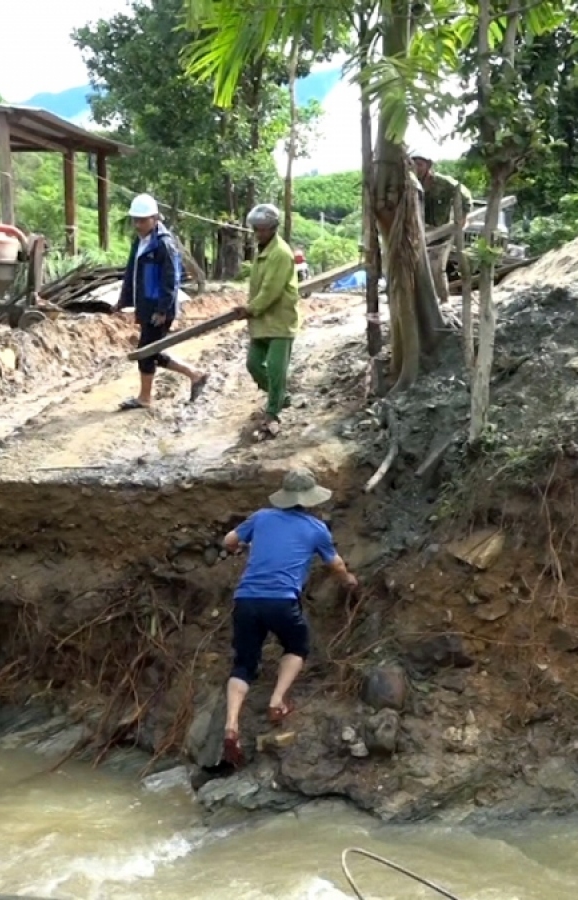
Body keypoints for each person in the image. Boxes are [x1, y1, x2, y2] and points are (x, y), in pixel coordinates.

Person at [219, 467, 358, 768]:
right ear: (309, 499)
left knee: (243, 664)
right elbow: (335, 564)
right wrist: (348, 580)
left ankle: (231, 725)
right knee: (297, 647)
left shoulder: (261, 517)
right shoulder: (316, 528)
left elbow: (229, 540)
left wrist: (240, 546)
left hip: (246, 599)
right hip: (281, 601)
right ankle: (277, 701)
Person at [114, 193, 209, 410]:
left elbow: (171, 280)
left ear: (155, 218)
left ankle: (145, 398)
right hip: (146, 306)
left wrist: (162, 309)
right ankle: (195, 375)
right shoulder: (139, 242)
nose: (138, 225)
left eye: (142, 220)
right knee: (151, 351)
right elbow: (132, 273)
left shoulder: (163, 245)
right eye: (135, 220)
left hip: (159, 309)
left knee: (146, 352)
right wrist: (123, 301)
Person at [242, 204, 301, 439]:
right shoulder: (262, 251)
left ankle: (272, 413)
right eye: (256, 229)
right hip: (261, 322)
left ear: (273, 228)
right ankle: (281, 397)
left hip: (280, 322)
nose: (258, 233)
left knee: (276, 370)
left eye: (262, 229)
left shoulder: (280, 253)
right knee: (253, 364)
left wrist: (249, 309)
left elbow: (270, 291)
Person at [408, 149, 473, 303]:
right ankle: (420, 301)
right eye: (414, 164)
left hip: (443, 230)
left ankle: (444, 300)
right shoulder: (410, 184)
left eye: (420, 164)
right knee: (416, 266)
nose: (417, 168)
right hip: (421, 229)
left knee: (436, 266)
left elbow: (465, 196)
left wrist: (463, 217)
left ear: (428, 165)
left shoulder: (443, 182)